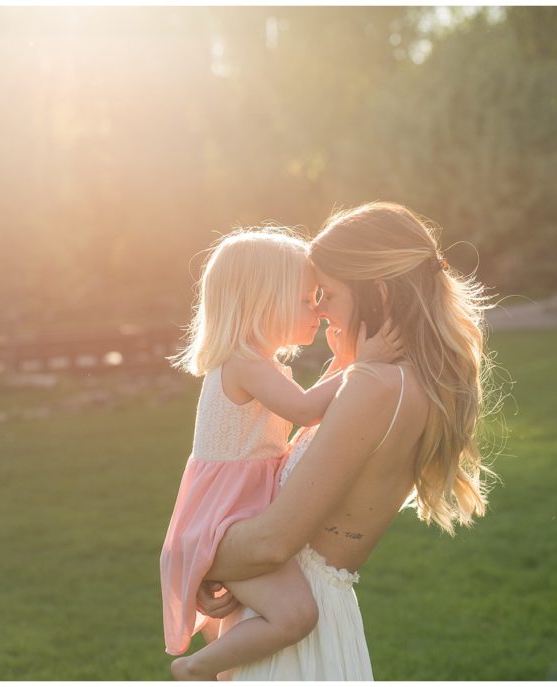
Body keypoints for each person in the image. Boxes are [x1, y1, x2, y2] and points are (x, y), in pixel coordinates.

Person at [193, 201, 499, 680]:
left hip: (295, 632)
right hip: (288, 606)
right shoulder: (399, 381)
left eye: (328, 293)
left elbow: (274, 542)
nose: (318, 308)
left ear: (375, 293)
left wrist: (197, 560)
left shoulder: (375, 386)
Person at [159, 227, 401, 680]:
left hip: (236, 507)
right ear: (264, 301)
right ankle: (194, 668)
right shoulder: (243, 361)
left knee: (247, 618)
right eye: (308, 299)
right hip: (226, 514)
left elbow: (305, 417)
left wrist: (343, 366)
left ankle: (218, 666)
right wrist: (362, 366)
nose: (318, 309)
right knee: (294, 617)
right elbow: (307, 408)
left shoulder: (254, 364)